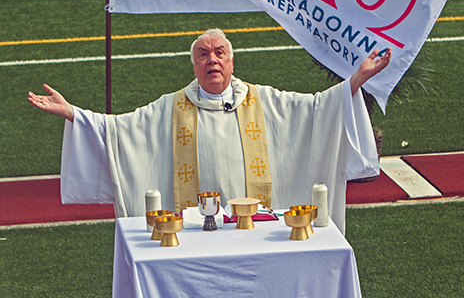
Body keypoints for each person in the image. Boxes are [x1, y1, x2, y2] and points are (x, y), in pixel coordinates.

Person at [28, 28, 391, 233]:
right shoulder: (171, 107)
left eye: (219, 53)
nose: (212, 60)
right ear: (194, 64)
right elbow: (123, 130)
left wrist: (357, 79)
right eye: (203, 54)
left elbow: (316, 110)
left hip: (256, 230)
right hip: (194, 232)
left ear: (232, 62)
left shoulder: (264, 101)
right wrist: (74, 113)